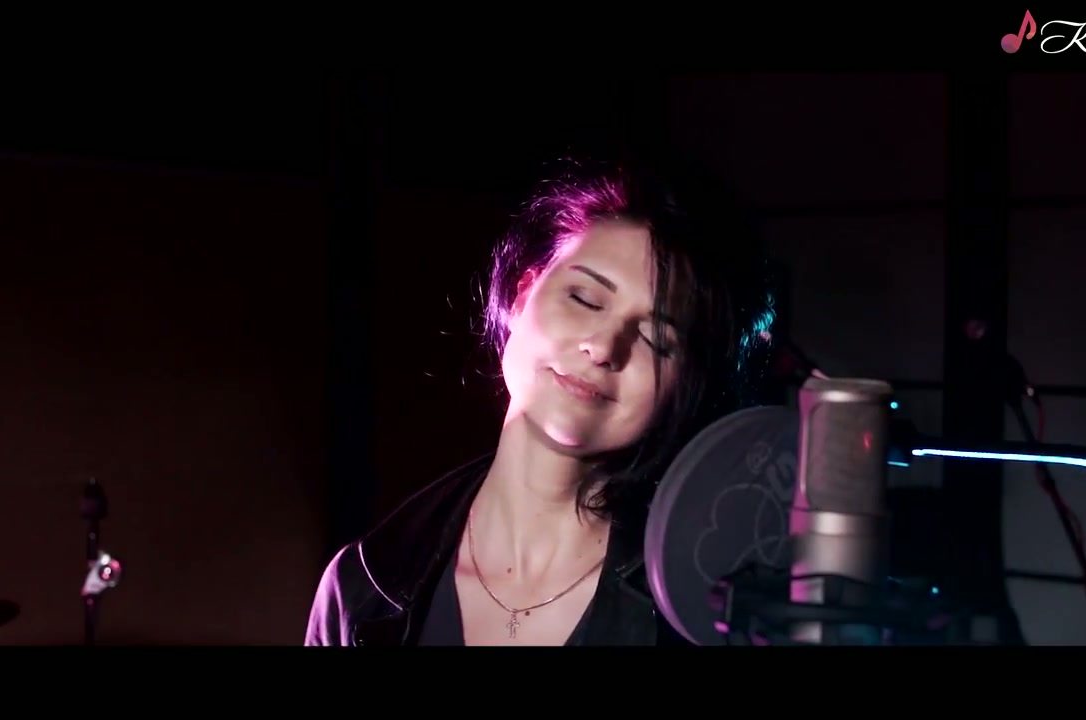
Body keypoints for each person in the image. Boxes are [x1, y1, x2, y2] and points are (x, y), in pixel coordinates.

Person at [304, 155, 775, 646]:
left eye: (656, 339)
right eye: (584, 299)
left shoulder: (708, 609)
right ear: (521, 293)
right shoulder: (362, 589)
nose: (603, 347)